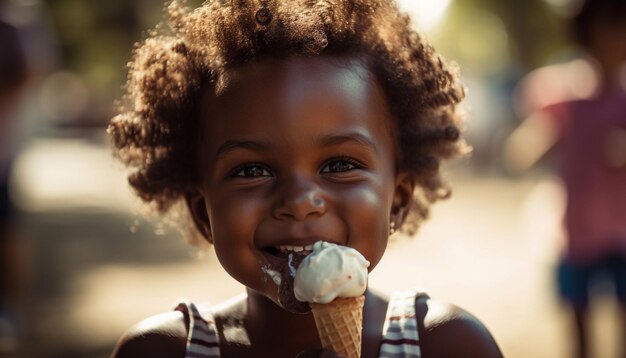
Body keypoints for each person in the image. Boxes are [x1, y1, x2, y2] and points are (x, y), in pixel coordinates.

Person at [108, 0, 502, 357]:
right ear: (203, 213)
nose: (299, 200)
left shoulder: (450, 345)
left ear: (397, 199)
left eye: (338, 165)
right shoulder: (159, 352)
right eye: (251, 170)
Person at [504, 1, 626, 357]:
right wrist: (529, 146)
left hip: (622, 236)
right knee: (579, 331)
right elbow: (532, 143)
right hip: (574, 233)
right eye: (611, 28)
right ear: (587, 34)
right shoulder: (565, 96)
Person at [0, 19, 29, 353]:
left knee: (7, 227)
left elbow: (27, 73)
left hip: (1, 152)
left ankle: (10, 310)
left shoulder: (10, 27)